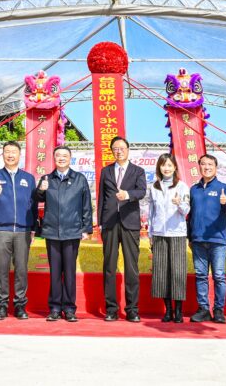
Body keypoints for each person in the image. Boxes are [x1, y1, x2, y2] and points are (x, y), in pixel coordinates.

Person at [0, 141, 37, 320]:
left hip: (23, 230)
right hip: (2, 229)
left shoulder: (28, 178)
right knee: (2, 269)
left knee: (21, 269)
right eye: (7, 152)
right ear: (2, 154)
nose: (10, 155)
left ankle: (20, 305)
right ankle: (2, 305)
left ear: (20, 155)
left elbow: (33, 204)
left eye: (14, 152)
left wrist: (34, 228)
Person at [35, 146, 92, 322]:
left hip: (72, 231)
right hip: (52, 231)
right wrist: (41, 190)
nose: (61, 158)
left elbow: (86, 205)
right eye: (58, 155)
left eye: (64, 155)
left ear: (70, 158)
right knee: (54, 272)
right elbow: (36, 199)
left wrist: (86, 228)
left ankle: (69, 308)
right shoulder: (47, 179)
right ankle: (54, 308)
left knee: (69, 272)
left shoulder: (79, 179)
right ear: (53, 158)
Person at [98, 136, 147, 322]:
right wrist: (100, 222)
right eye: (115, 149)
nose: (119, 151)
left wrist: (128, 194)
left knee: (131, 267)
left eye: (122, 148)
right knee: (109, 267)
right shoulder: (106, 171)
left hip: (130, 222)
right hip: (110, 223)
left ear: (128, 150)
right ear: (112, 151)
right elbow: (102, 197)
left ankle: (132, 309)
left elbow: (142, 191)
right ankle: (111, 309)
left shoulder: (138, 171)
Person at [188, 154, 226, 323]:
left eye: (210, 164)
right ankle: (203, 309)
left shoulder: (223, 187)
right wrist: (190, 236)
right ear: (199, 167)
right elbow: (190, 215)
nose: (207, 167)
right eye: (203, 164)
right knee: (201, 275)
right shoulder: (194, 189)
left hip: (217, 240)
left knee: (219, 276)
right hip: (198, 240)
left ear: (216, 168)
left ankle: (219, 310)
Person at [143, 153, 189, 323]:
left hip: (177, 233)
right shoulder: (154, 187)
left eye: (170, 165)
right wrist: (150, 233)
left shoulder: (182, 186)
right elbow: (151, 212)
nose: (166, 168)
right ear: (159, 168)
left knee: (177, 271)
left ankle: (179, 311)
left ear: (175, 167)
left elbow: (187, 210)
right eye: (163, 165)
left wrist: (179, 203)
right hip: (159, 234)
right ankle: (168, 310)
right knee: (161, 272)